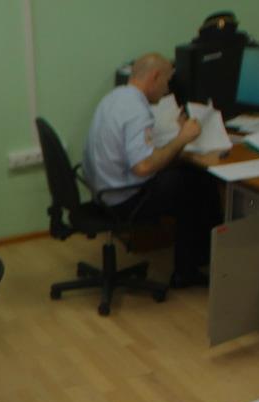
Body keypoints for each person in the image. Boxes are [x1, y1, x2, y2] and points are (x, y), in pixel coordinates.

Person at [84, 52, 223, 288]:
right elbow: (144, 166)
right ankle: (187, 271)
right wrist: (182, 138)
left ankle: (196, 260)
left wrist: (175, 140)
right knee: (198, 183)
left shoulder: (115, 98)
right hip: (123, 200)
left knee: (187, 176)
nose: (167, 89)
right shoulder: (137, 111)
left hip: (103, 191)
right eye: (167, 81)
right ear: (155, 77)